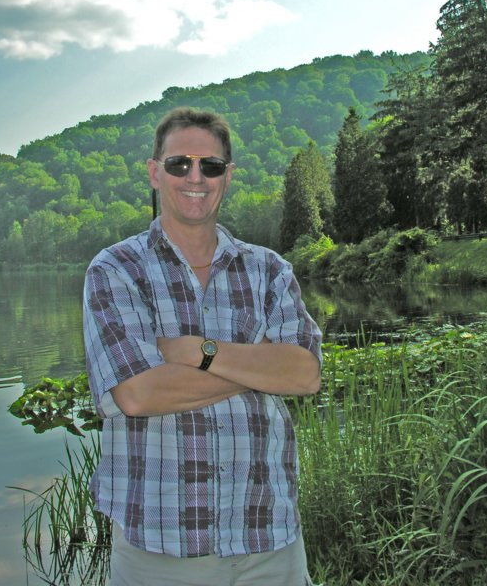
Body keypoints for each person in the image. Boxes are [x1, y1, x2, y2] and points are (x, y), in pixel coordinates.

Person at [83, 106, 323, 586]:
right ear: (155, 173)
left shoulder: (269, 270)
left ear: (227, 176)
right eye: (179, 164)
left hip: (270, 540)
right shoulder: (116, 270)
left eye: (210, 166)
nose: (195, 177)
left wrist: (199, 352)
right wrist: (259, 366)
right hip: (159, 550)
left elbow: (304, 374)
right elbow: (137, 394)